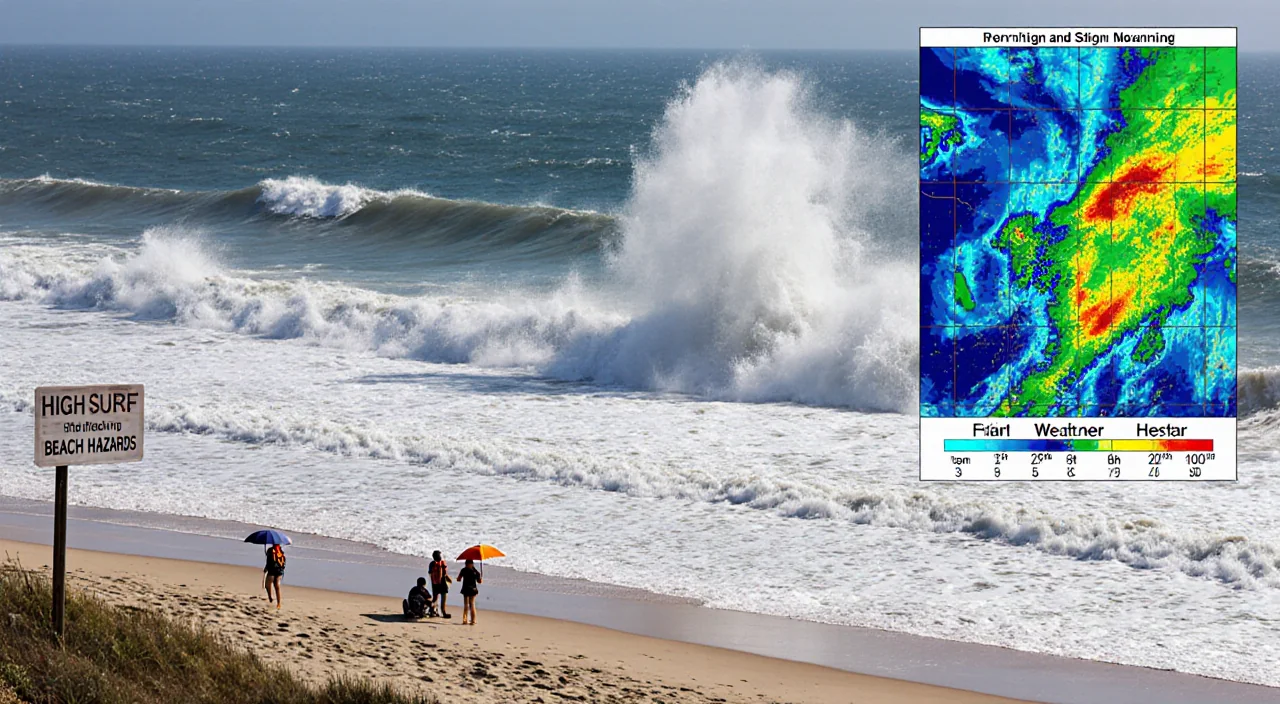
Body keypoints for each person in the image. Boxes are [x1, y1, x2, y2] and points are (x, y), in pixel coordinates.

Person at [457, 559, 482, 625]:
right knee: (472, 604)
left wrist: (459, 578)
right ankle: (473, 620)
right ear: (472, 564)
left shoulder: (463, 570)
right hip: (473, 589)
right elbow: (479, 581)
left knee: (466, 605)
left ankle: (465, 620)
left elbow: (459, 579)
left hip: (466, 589)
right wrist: (480, 578)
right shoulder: (475, 572)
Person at [428, 550, 452, 619]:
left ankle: (432, 611)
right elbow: (445, 574)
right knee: (443, 598)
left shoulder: (431, 564)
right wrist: (449, 579)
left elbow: (430, 573)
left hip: (434, 583)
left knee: (435, 598)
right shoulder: (442, 563)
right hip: (443, 583)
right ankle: (443, 612)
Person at [264, 544, 286, 609]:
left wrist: (266, 568)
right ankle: (278, 603)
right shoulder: (281, 551)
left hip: (272, 570)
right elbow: (284, 561)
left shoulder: (270, 550)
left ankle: (270, 597)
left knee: (267, 585)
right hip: (280, 570)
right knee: (277, 586)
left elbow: (268, 562)